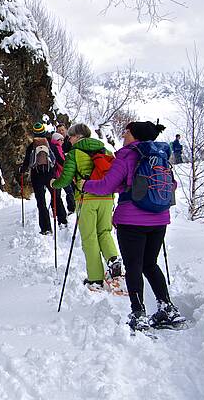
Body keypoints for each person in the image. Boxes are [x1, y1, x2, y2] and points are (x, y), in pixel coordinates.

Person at [80, 121, 185, 331]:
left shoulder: (127, 155)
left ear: (135, 135)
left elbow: (106, 185)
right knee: (150, 264)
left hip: (131, 220)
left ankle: (138, 313)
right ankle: (167, 308)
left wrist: (85, 185)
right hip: (159, 219)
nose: (124, 135)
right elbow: (171, 185)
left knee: (134, 266)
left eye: (126, 131)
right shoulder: (161, 156)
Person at [50, 123, 121, 292]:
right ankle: (113, 258)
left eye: (71, 136)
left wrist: (54, 183)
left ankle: (95, 278)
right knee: (104, 232)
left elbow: (66, 179)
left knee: (89, 238)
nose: (69, 139)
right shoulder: (105, 151)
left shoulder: (74, 153)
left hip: (86, 198)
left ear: (78, 137)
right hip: (107, 198)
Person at [19, 122, 67, 235]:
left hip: (37, 176)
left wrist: (21, 170)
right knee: (56, 197)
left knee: (41, 203)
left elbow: (26, 163)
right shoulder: (51, 144)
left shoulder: (31, 147)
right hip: (51, 175)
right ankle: (62, 221)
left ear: (34, 134)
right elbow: (60, 160)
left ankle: (46, 228)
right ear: (44, 132)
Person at [55, 125, 76, 214]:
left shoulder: (69, 140)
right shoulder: (55, 142)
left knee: (71, 190)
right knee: (60, 192)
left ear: (66, 130)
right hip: (59, 170)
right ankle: (59, 211)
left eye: (62, 130)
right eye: (59, 130)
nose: (61, 132)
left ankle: (72, 208)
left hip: (69, 168)